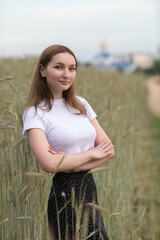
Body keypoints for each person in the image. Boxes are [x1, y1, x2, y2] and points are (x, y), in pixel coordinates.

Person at [23, 44, 115, 240]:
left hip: (89, 187)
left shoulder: (81, 104)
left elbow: (107, 150)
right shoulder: (35, 113)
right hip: (62, 194)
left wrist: (68, 162)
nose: (66, 74)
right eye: (59, 67)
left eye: (72, 68)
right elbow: (48, 163)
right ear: (42, 70)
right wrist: (90, 154)